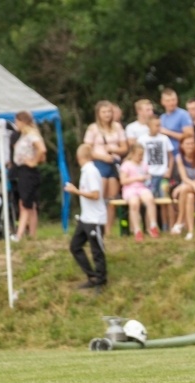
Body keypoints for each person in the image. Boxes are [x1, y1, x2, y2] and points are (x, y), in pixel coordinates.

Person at [66, 144, 107, 290]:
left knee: (97, 251)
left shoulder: (91, 171)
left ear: (79, 158)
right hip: (86, 218)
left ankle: (101, 280)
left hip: (95, 219)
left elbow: (95, 195)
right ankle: (92, 276)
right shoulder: (86, 171)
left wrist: (76, 192)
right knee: (75, 246)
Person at [84, 100, 128, 235]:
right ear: (98, 114)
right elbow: (87, 149)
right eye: (104, 112)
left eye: (109, 111)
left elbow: (124, 147)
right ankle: (98, 227)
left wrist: (114, 149)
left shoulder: (117, 127)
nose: (107, 114)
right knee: (100, 196)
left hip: (114, 163)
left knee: (112, 198)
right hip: (100, 163)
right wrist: (102, 157)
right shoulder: (93, 128)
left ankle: (108, 230)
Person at [12, 111, 46, 242]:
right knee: (28, 204)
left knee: (25, 204)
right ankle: (32, 235)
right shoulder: (25, 135)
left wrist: (33, 162)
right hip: (22, 170)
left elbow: (42, 150)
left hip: (28, 171)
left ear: (22, 121)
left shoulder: (31, 134)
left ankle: (19, 234)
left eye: (16, 122)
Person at [138, 116, 175, 231]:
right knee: (149, 201)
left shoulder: (164, 139)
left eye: (160, 125)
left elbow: (171, 157)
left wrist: (169, 170)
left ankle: (167, 226)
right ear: (149, 126)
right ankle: (149, 227)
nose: (159, 128)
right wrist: (143, 172)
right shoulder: (142, 139)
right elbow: (138, 158)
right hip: (149, 175)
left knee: (165, 200)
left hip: (163, 174)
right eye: (156, 125)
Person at [119, 143, 159, 242]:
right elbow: (123, 181)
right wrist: (137, 178)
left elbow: (147, 177)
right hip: (130, 189)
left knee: (150, 199)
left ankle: (153, 225)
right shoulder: (126, 165)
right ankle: (137, 230)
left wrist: (147, 178)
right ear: (132, 154)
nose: (141, 157)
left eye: (142, 155)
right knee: (134, 203)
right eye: (139, 155)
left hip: (142, 188)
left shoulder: (144, 165)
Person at [171, 136, 195, 240]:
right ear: (182, 145)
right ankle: (190, 231)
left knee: (184, 189)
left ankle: (179, 221)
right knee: (189, 197)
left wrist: (184, 186)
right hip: (190, 186)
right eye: (187, 144)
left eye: (192, 143)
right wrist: (191, 185)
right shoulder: (179, 157)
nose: (190, 146)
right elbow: (184, 177)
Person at [159, 88, 193, 156]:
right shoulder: (162, 117)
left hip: (180, 154)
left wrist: (168, 132)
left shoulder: (183, 115)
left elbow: (189, 135)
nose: (171, 103)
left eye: (173, 100)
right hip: (166, 155)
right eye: (168, 101)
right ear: (162, 102)